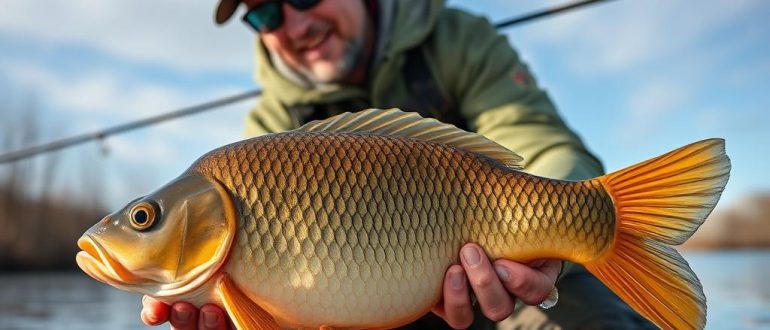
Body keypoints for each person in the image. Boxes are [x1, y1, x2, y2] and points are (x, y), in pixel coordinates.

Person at [141, 0, 656, 329]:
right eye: (265, 14)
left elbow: (539, 142)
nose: (295, 23)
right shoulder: (267, 126)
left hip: (505, 276)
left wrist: (551, 237)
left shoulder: (458, 39)